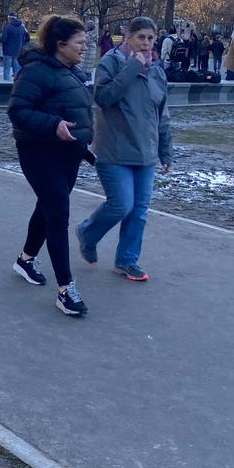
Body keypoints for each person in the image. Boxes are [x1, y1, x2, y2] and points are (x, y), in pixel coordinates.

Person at [6, 15, 94, 317]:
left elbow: (75, 112)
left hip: (67, 155)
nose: (86, 47)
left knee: (47, 209)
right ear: (60, 44)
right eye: (80, 42)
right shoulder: (36, 72)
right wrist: (53, 124)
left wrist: (86, 146)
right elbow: (18, 111)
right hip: (39, 154)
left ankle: (26, 259)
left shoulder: (70, 72)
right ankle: (65, 290)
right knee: (58, 215)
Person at [76, 16, 173, 283]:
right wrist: (132, 68)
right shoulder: (111, 62)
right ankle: (88, 232)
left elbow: (162, 114)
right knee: (121, 205)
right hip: (114, 149)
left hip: (147, 151)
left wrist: (166, 150)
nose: (146, 43)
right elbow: (104, 98)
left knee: (139, 211)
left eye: (151, 38)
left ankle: (127, 261)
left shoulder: (157, 71)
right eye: (140, 37)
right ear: (128, 37)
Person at [0, 12, 31, 80]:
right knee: (16, 69)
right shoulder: (22, 27)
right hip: (18, 51)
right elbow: (27, 37)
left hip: (7, 51)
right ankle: (16, 85)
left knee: (7, 69)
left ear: (10, 18)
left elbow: (3, 40)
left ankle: (6, 84)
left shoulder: (7, 27)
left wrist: (1, 37)